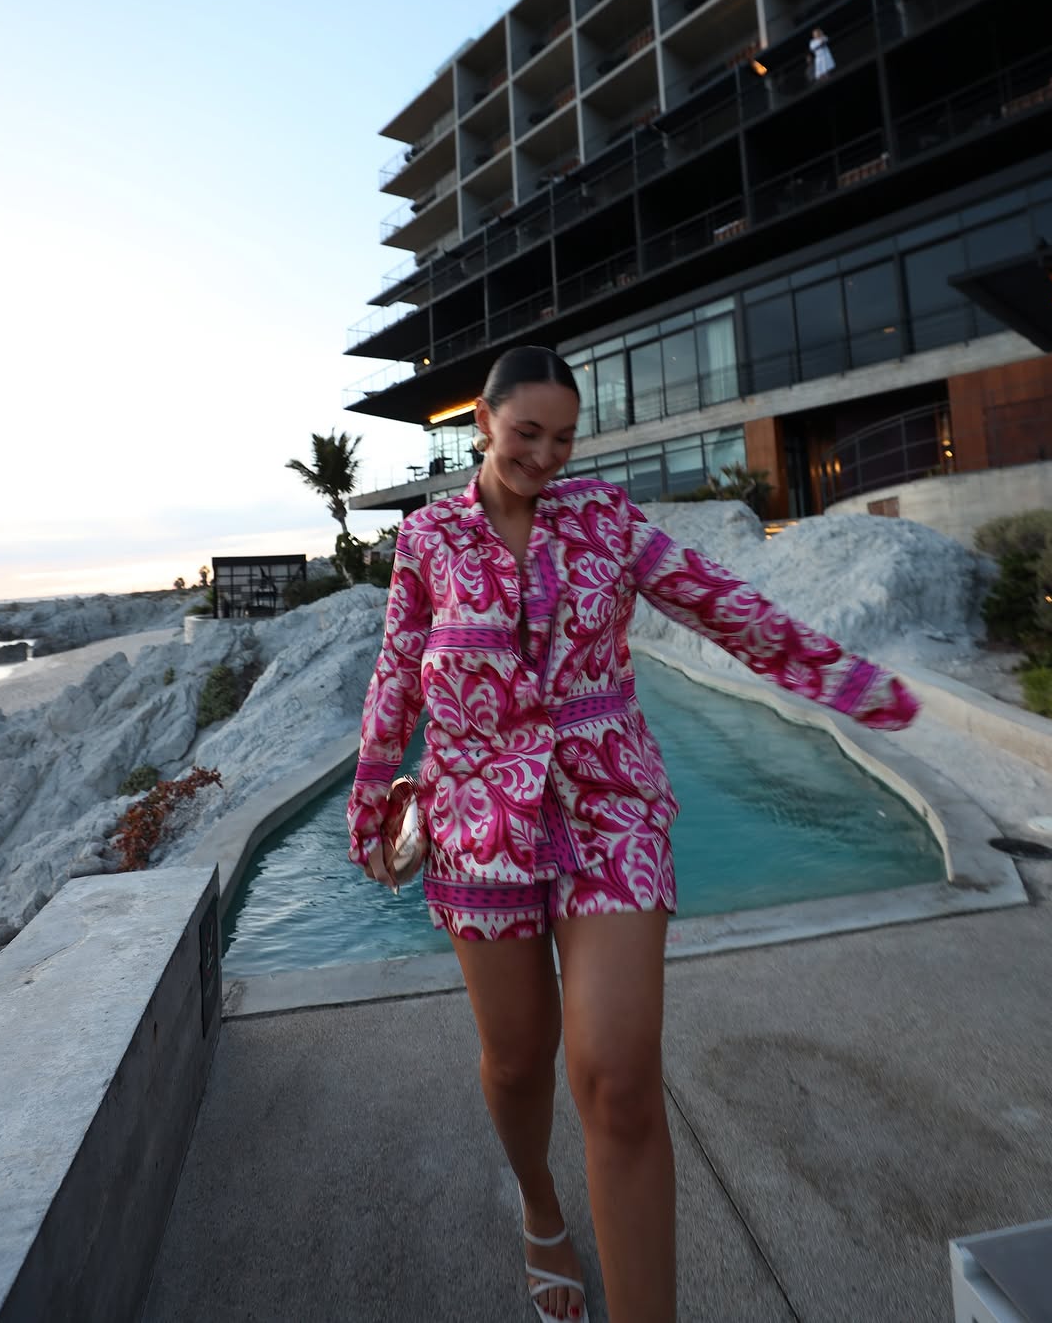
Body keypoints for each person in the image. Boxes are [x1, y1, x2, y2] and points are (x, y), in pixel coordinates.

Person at [346, 345, 919, 1323]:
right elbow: (398, 673)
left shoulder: (607, 520)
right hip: (477, 816)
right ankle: (540, 1207)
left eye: (564, 439)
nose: (544, 456)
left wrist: (843, 679)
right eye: (527, 434)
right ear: (483, 424)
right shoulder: (428, 538)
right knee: (518, 1060)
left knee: (617, 1079)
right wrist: (369, 802)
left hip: (609, 805)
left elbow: (717, 601)